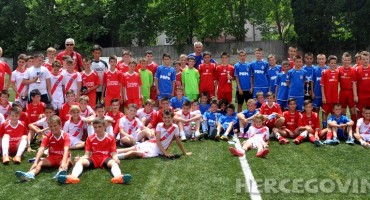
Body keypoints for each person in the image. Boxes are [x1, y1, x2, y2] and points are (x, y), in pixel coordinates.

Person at [58, 118, 132, 184]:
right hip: (94, 158)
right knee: (80, 162)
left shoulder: (110, 138)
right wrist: (81, 158)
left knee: (114, 163)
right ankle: (73, 177)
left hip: (106, 158)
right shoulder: (90, 138)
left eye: (99, 127)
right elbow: (87, 154)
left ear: (104, 126)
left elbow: (113, 153)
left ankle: (118, 177)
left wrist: (116, 158)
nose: (97, 129)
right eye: (95, 127)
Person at [15, 115, 71, 181]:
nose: (53, 128)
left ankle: (60, 174)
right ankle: (30, 174)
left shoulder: (65, 136)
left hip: (62, 157)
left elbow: (66, 150)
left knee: (66, 162)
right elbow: (41, 149)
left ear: (60, 125)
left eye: (55, 125)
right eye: (51, 126)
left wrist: (64, 162)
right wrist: (35, 162)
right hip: (52, 157)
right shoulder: (48, 136)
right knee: (39, 163)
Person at [116, 110, 191, 159]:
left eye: (168, 117)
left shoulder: (175, 127)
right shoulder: (159, 125)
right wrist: (166, 153)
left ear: (172, 118)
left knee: (133, 153)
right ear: (162, 118)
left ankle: (116, 157)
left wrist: (184, 153)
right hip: (151, 144)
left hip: (156, 151)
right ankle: (112, 152)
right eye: (165, 118)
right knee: (131, 149)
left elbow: (178, 141)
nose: (167, 119)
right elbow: (157, 141)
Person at [338, 52, 357, 125]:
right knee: (342, 111)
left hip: (350, 93)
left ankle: (354, 128)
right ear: (342, 60)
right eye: (345, 60)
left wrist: (355, 95)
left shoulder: (353, 70)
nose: (346, 62)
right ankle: (344, 128)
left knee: (353, 111)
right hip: (342, 92)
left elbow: (354, 83)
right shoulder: (339, 69)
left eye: (348, 60)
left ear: (350, 60)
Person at [321, 55, 340, 129]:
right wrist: (323, 96)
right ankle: (324, 127)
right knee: (324, 112)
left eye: (334, 63)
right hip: (327, 97)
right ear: (328, 64)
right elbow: (322, 85)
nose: (333, 65)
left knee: (335, 113)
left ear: (336, 64)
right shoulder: (325, 72)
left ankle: (334, 128)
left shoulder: (337, 72)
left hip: (335, 98)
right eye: (331, 63)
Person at [312, 54, 328, 126]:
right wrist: (312, 92)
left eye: (323, 59)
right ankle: (316, 126)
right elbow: (312, 81)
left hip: (326, 94)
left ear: (325, 59)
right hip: (317, 94)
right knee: (316, 110)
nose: (321, 60)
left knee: (325, 111)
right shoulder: (315, 69)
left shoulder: (328, 68)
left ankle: (324, 126)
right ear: (317, 60)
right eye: (320, 59)